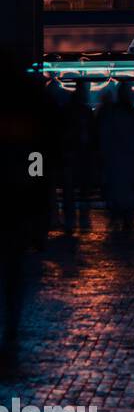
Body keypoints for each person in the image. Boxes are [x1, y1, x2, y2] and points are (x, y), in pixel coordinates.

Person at [0, 66, 58, 364]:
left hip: (15, 203)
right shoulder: (32, 132)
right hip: (19, 205)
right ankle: (10, 326)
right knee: (14, 271)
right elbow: (40, 170)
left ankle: (9, 325)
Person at [98, 79, 134, 235]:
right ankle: (127, 219)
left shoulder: (111, 114)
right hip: (131, 160)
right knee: (128, 192)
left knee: (117, 191)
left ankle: (117, 218)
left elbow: (105, 137)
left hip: (116, 160)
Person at [61, 79, 95, 235]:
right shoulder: (86, 111)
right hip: (82, 155)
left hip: (71, 154)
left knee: (70, 191)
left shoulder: (67, 110)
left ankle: (71, 221)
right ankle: (82, 219)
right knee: (83, 190)